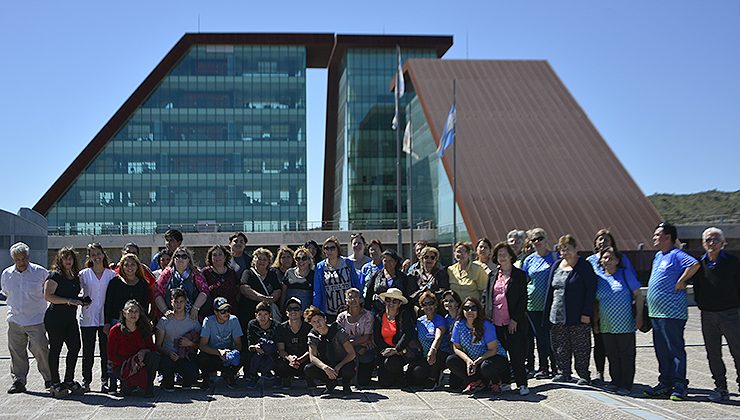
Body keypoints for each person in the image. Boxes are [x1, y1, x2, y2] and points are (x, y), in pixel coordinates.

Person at [644, 222, 700, 401]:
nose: (654, 238)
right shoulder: (658, 256)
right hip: (656, 313)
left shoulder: (676, 255)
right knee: (661, 350)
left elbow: (694, 264)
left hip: (672, 313)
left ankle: (679, 384)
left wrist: (681, 281)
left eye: (657, 235)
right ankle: (665, 383)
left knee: (674, 349)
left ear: (667, 237)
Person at [694, 227, 740, 402]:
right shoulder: (699, 264)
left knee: (738, 351)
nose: (712, 243)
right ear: (703, 243)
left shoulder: (733, 262)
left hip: (730, 313)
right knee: (713, 353)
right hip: (708, 315)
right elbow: (697, 288)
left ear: (723, 243)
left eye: (715, 240)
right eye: (708, 240)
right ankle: (721, 387)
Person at [543, 235, 597, 385]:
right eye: (562, 250)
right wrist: (546, 314)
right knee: (560, 345)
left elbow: (590, 290)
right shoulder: (556, 265)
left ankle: (584, 374)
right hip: (557, 314)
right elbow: (550, 290)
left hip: (578, 315)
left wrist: (587, 313)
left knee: (581, 346)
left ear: (575, 248)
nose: (565, 252)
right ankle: (563, 372)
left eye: (568, 249)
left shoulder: (584, 266)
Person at [586, 228, 636, 384]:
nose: (602, 242)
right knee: (600, 343)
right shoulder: (589, 261)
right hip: (597, 306)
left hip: (618, 308)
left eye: (606, 239)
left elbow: (633, 286)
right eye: (599, 239)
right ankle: (600, 373)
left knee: (620, 347)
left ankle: (623, 380)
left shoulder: (621, 259)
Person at [482, 242, 530, 396]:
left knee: (516, 353)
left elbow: (523, 299)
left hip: (512, 322)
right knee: (500, 354)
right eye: (498, 254)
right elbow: (486, 296)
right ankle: (506, 382)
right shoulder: (492, 275)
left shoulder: (520, 275)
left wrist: (515, 319)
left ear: (511, 256)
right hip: (494, 322)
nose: (501, 256)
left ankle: (522, 383)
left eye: (504, 253)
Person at [593, 247, 641, 396]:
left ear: (618, 260)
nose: (607, 261)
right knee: (612, 355)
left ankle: (626, 384)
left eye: (611, 258)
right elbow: (595, 302)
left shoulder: (625, 274)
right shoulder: (599, 278)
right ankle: (615, 382)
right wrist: (595, 322)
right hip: (606, 324)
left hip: (625, 324)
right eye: (604, 258)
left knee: (626, 355)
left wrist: (639, 316)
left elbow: (638, 295)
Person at [447, 297, 510, 394]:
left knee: (486, 366)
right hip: (472, 359)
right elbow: (456, 347)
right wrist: (468, 361)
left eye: (473, 308)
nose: (470, 311)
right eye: (466, 308)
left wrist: (477, 362)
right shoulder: (459, 324)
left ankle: (495, 382)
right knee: (451, 360)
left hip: (492, 357)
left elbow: (492, 350)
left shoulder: (486, 325)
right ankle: (476, 381)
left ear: (478, 310)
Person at [44, 247, 84, 398]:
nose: (68, 261)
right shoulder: (55, 275)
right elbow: (48, 296)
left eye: (70, 258)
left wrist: (81, 301)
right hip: (55, 318)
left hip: (70, 318)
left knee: (75, 347)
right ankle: (55, 382)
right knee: (55, 349)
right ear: (59, 260)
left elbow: (74, 296)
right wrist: (69, 301)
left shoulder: (74, 277)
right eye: (65, 258)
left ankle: (68, 380)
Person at [79, 243, 117, 392]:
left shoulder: (111, 274)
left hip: (104, 318)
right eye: (93, 255)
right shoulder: (83, 274)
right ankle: (86, 380)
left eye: (98, 254)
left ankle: (104, 380)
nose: (96, 257)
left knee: (105, 351)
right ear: (89, 257)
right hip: (87, 317)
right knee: (87, 351)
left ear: (103, 254)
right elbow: (77, 292)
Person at [522, 227, 558, 378]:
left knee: (552, 337)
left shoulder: (555, 257)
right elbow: (524, 281)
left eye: (540, 238)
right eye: (534, 240)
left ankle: (556, 367)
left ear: (546, 239)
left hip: (550, 304)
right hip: (532, 305)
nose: (537, 242)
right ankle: (543, 367)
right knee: (540, 337)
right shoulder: (529, 260)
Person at [107, 300, 160, 397]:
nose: (133, 314)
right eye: (130, 311)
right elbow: (111, 355)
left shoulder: (143, 328)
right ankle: (127, 384)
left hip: (141, 363)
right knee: (129, 390)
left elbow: (152, 348)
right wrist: (131, 363)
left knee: (154, 357)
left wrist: (144, 351)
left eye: (136, 311)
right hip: (122, 365)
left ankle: (148, 387)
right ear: (124, 313)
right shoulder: (115, 330)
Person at [155, 288, 201, 390]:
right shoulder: (164, 321)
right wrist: (168, 353)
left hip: (185, 356)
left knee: (191, 377)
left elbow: (201, 345)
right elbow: (158, 346)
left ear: (185, 302)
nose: (178, 305)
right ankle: (166, 379)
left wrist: (190, 344)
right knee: (168, 385)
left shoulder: (192, 321)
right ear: (171, 302)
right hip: (169, 356)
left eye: (181, 301)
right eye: (176, 302)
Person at [304, 306, 356, 395]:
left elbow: (352, 354)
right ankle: (330, 383)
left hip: (341, 362)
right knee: (308, 369)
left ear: (325, 319)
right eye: (314, 322)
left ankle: (346, 384)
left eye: (319, 320)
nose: (318, 324)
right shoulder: (312, 335)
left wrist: (339, 366)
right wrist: (324, 367)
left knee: (348, 368)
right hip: (326, 363)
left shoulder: (337, 331)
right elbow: (312, 357)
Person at [372, 288, 417, 387]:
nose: (391, 303)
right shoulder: (378, 316)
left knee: (391, 363)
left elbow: (407, 334)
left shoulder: (404, 315)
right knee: (384, 383)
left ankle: (400, 376)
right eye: (388, 300)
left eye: (395, 301)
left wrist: (396, 349)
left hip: (401, 351)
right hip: (384, 352)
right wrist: (385, 350)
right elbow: (376, 337)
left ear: (400, 303)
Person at [198, 297, 243, 388]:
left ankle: (230, 375)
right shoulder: (208, 321)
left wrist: (230, 353)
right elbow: (202, 345)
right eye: (222, 311)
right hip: (213, 353)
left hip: (228, 354)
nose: (226, 313)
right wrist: (219, 352)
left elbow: (238, 344)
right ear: (215, 312)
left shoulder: (234, 320)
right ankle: (206, 377)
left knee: (243, 355)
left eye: (228, 310)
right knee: (202, 357)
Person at [313, 236, 361, 322]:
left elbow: (356, 283)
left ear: (338, 249)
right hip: (329, 311)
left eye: (332, 248)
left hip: (348, 309)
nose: (329, 251)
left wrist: (360, 301)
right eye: (326, 248)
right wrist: (317, 309)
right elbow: (317, 290)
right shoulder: (320, 267)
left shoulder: (347, 263)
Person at [155, 246, 208, 322]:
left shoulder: (195, 273)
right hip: (170, 318)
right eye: (178, 256)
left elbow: (205, 291)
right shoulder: (167, 273)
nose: (180, 259)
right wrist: (165, 311)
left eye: (184, 256)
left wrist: (195, 308)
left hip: (192, 317)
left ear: (189, 260)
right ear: (174, 259)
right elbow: (157, 293)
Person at [409, 291, 449, 389]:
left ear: (435, 305)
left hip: (440, 353)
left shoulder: (440, 319)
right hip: (425, 355)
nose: (428, 306)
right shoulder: (420, 321)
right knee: (416, 374)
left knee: (438, 355)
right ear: (421, 306)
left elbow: (438, 337)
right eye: (425, 304)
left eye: (431, 303)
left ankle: (434, 378)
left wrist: (433, 350)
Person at [336, 288, 375, 387]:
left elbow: (366, 337)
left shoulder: (368, 315)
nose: (353, 299)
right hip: (345, 350)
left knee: (363, 382)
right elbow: (337, 336)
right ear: (346, 301)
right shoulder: (341, 317)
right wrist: (349, 345)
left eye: (355, 297)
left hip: (364, 349)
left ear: (360, 299)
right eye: (350, 297)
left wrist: (349, 343)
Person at [239, 248, 282, 329]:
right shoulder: (248, 273)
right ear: (254, 260)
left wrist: (271, 299)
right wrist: (263, 298)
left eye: (264, 259)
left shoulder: (273, 274)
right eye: (259, 258)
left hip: (267, 314)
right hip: (249, 312)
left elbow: (278, 290)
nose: (261, 261)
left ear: (269, 262)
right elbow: (244, 288)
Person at [275, 297, 312, 389]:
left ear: (301, 312)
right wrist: (290, 358)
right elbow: (281, 349)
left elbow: (311, 349)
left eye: (296, 309)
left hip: (305, 360)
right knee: (279, 364)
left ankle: (310, 380)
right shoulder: (281, 328)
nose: (293, 312)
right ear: (286, 312)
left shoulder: (308, 327)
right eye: (290, 309)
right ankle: (286, 378)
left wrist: (300, 360)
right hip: (289, 361)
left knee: (311, 367)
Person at [364, 249, 411, 313]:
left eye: (390, 261)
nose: (388, 263)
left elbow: (407, 297)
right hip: (378, 312)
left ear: (396, 261)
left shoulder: (402, 277)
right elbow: (368, 296)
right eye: (385, 261)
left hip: (398, 313)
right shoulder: (376, 275)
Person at [245, 301, 279, 388]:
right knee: (254, 356)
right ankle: (253, 376)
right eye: (260, 314)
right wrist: (255, 347)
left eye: (265, 314)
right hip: (257, 352)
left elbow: (278, 343)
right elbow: (250, 343)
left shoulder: (276, 325)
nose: (262, 317)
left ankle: (272, 374)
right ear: (256, 315)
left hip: (271, 352)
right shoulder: (252, 324)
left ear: (270, 315)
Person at [201, 244, 240, 315]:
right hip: (211, 312)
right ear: (211, 257)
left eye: (220, 254)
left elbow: (237, 290)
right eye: (214, 255)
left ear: (225, 257)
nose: (217, 257)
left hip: (231, 311)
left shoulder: (232, 272)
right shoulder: (205, 273)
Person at [441, 290, 463, 390]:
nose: (448, 303)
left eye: (451, 301)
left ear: (457, 303)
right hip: (449, 350)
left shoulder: (463, 318)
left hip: (462, 352)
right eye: (446, 301)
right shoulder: (446, 318)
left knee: (456, 385)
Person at [281, 246, 314, 311]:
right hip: (290, 311)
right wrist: (282, 308)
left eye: (304, 258)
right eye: (298, 258)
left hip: (306, 311)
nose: (301, 261)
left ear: (309, 261)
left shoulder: (313, 274)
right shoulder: (289, 272)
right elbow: (283, 293)